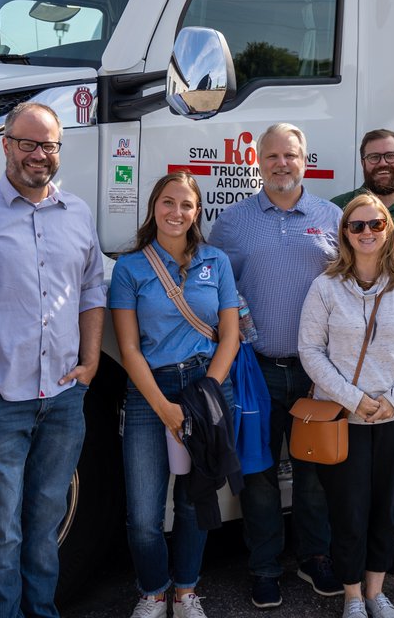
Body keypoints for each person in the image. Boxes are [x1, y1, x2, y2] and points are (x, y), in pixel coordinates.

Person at [0, 101, 106, 618]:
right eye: (28, 143)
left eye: (49, 145)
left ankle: (43, 611)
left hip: (62, 399)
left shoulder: (77, 213)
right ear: (6, 145)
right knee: (0, 530)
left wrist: (91, 361)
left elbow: (92, 290)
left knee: (45, 524)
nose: (40, 154)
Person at [209, 123, 344, 608]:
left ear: (304, 159)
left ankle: (315, 559)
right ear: (257, 162)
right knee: (259, 475)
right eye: (271, 156)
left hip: (317, 371)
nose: (281, 163)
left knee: (313, 473)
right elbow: (216, 286)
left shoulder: (331, 216)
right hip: (257, 370)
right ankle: (264, 568)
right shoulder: (233, 221)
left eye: (290, 155)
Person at [109, 172, 241, 618]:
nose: (176, 213)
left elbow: (230, 336)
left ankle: (186, 591)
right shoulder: (129, 268)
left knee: (194, 500)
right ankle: (152, 591)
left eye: (186, 205)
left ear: (197, 212)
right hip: (151, 393)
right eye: (168, 202)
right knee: (144, 515)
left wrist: (207, 391)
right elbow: (127, 347)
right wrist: (164, 407)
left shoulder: (216, 261)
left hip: (203, 385)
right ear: (153, 207)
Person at [298, 194, 394, 618]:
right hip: (343, 417)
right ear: (345, 234)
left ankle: (376, 591)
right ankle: (353, 596)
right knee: (348, 509)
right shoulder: (325, 287)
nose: (367, 232)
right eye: (356, 226)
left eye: (375, 224)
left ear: (388, 230)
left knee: (385, 507)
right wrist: (356, 399)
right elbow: (311, 351)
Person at [332, 128, 394, 242]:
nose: (382, 163)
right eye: (374, 157)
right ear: (363, 163)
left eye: (391, 156)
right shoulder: (337, 208)